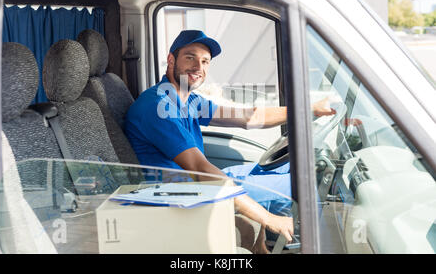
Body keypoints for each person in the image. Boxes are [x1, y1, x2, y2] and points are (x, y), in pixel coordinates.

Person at [125, 30, 335, 251]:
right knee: (298, 184)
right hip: (181, 194)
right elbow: (200, 168)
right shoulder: (159, 107)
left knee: (291, 168)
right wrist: (268, 218)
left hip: (194, 184)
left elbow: (249, 117)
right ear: (171, 60)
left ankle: (262, 245)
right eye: (190, 57)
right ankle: (321, 246)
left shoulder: (187, 98)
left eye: (205, 61)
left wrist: (311, 109)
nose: (199, 67)